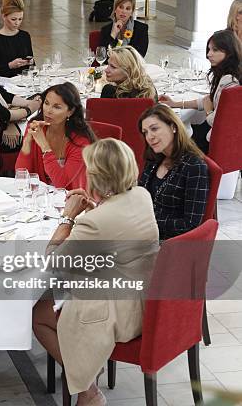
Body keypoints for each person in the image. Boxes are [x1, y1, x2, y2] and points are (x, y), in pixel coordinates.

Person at [32, 138, 159, 405]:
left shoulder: (96, 222)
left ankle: (88, 390)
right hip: (145, 299)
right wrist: (95, 211)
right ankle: (87, 366)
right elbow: (115, 227)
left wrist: (68, 218)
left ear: (97, 175)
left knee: (38, 313)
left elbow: (52, 261)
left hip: (117, 312)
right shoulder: (141, 195)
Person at [159, 30, 241, 153]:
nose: (209, 55)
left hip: (217, 142)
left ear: (229, 52)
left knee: (176, 136)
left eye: (215, 50)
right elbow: (207, 100)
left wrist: (208, 110)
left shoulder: (229, 81)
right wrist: (175, 104)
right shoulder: (232, 74)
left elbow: (218, 121)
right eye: (209, 50)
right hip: (227, 139)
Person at [138, 104, 208, 240]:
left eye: (154, 129)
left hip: (168, 242)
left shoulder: (194, 167)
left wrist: (147, 223)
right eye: (145, 132)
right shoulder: (154, 159)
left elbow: (191, 224)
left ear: (173, 127)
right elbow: (141, 196)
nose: (149, 137)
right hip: (143, 233)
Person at [16, 83, 96, 190]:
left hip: (73, 197)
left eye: (56, 107)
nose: (48, 110)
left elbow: (63, 184)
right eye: (47, 103)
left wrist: (44, 146)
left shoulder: (81, 140)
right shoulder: (36, 127)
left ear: (70, 112)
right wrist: (27, 141)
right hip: (41, 196)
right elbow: (21, 175)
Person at [0, 0, 33, 78]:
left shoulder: (25, 36)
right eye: (13, 19)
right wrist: (9, 66)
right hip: (3, 83)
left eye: (20, 19)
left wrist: (30, 62)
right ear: (3, 16)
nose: (17, 23)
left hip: (24, 82)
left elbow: (31, 62)